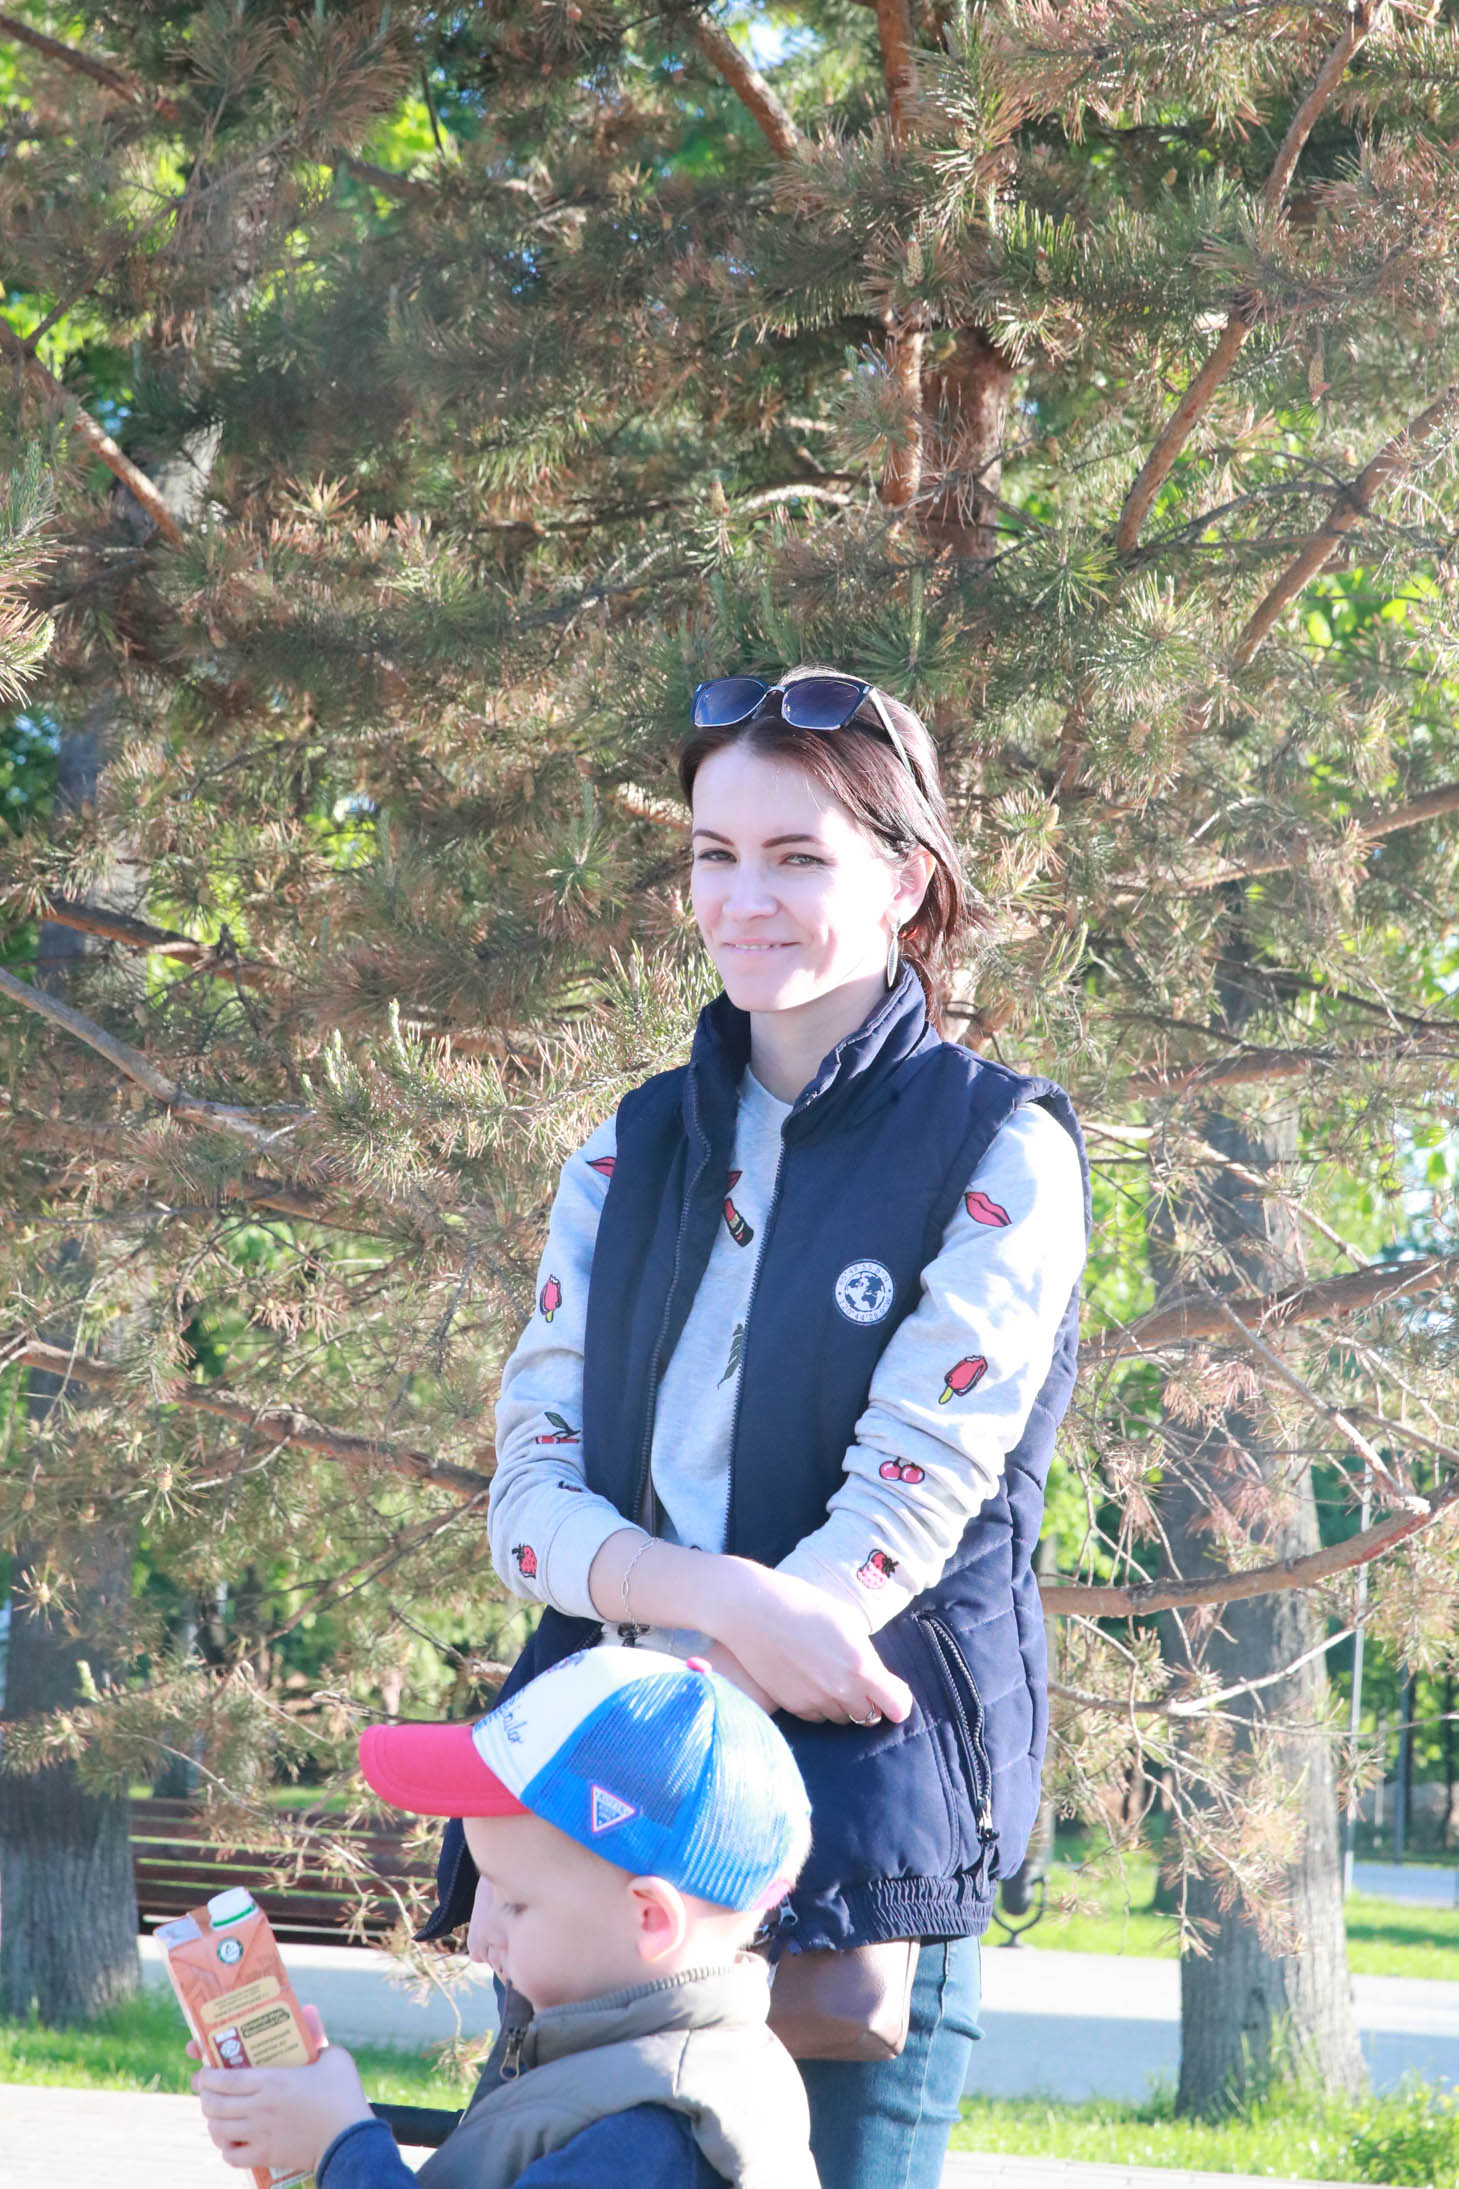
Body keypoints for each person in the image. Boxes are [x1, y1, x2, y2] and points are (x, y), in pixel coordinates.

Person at [424, 668, 1090, 2188]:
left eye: (796, 855)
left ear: (904, 879)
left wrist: (717, 1663)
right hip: (598, 1823)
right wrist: (713, 1603)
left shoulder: (999, 1146)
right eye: (713, 854)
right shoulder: (626, 1146)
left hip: (849, 1821)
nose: (743, 899)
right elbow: (529, 1497)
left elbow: (913, 1492)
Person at [192, 1645, 818, 2188]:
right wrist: (314, 2123)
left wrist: (342, 2147)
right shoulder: (638, 2065)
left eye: (515, 1902)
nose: (478, 1940)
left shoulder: (649, 2137)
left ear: (651, 1919)